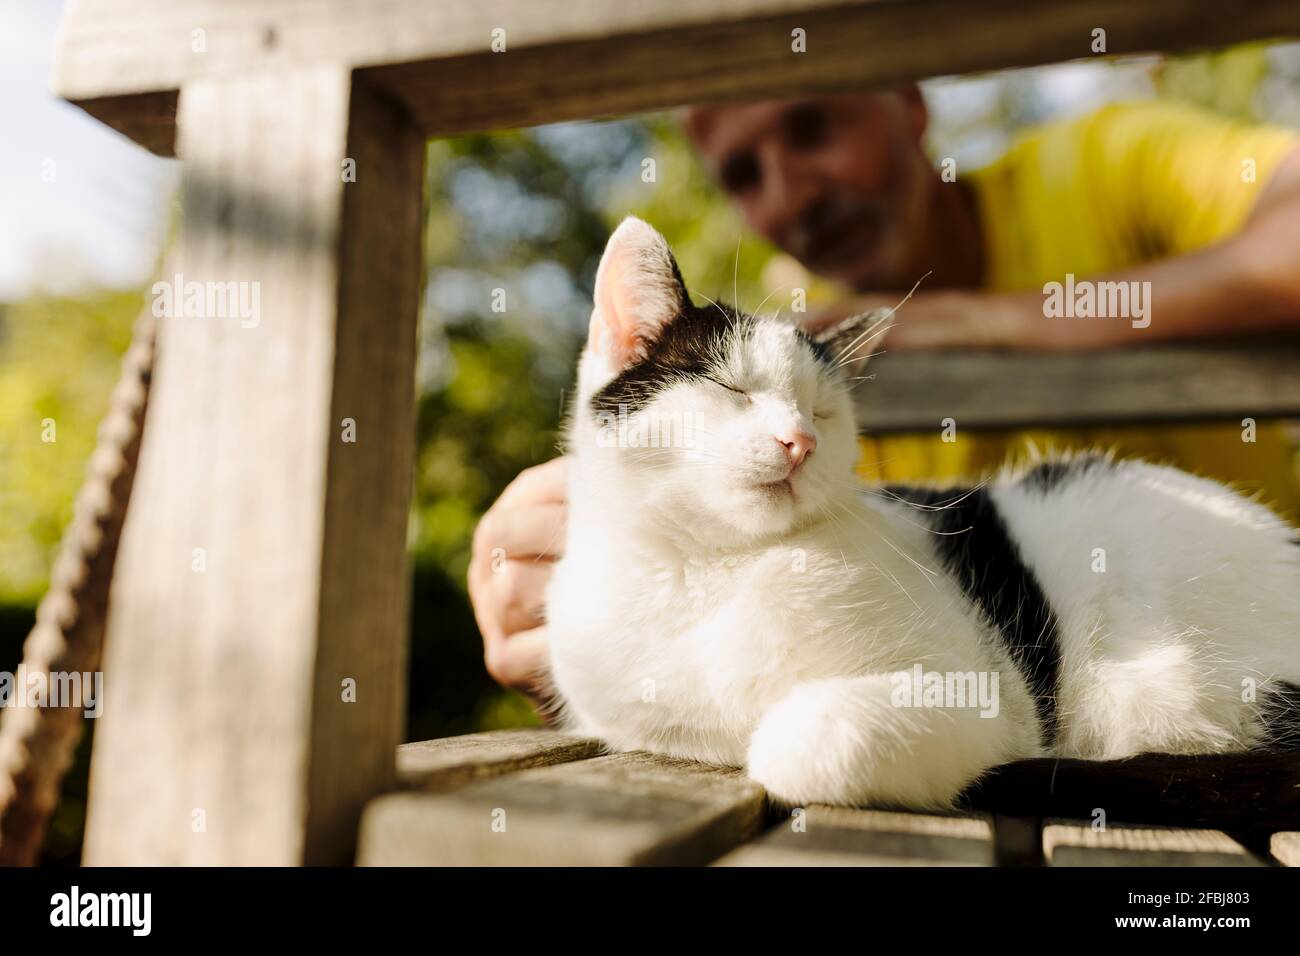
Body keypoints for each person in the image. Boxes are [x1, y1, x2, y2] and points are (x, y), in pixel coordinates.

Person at [470, 88, 1300, 702]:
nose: (793, 193)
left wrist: (980, 320)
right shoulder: (788, 341)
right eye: (744, 174)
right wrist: (594, 554)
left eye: (812, 125)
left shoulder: (1102, 162)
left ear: (907, 103)